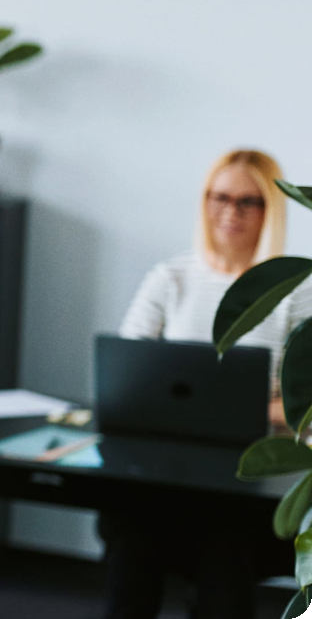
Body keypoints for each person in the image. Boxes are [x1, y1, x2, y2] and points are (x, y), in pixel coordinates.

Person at [103, 148, 311, 619]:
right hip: (162, 472)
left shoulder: (295, 289)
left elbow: (305, 405)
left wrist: (244, 411)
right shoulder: (170, 278)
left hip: (246, 481)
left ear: (269, 209)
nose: (229, 212)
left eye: (246, 202)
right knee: (132, 546)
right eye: (219, 197)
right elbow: (124, 376)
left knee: (224, 557)